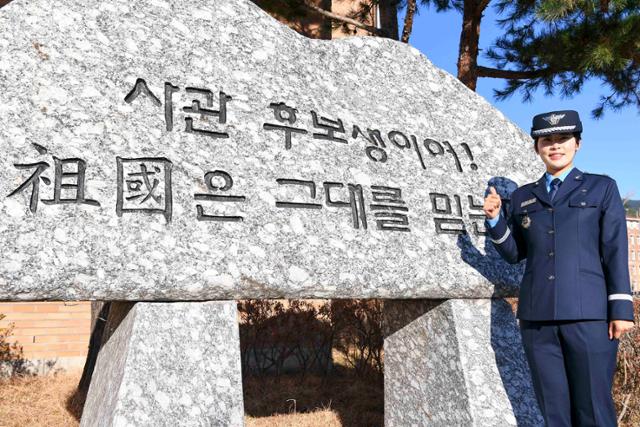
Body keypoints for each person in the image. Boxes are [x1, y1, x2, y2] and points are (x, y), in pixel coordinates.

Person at [483, 110, 635, 426]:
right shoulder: (524, 196)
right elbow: (515, 253)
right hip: (537, 319)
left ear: (577, 143)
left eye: (562, 139)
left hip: (590, 316)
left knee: (593, 408)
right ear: (538, 147)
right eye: (547, 140)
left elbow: (615, 248)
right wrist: (496, 220)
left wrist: (621, 308)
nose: (555, 146)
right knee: (552, 412)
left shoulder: (601, 188)